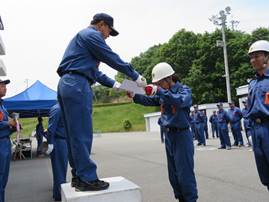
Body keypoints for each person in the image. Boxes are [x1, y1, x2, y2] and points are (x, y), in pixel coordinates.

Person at [57, 13, 147, 191]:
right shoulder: (92, 35)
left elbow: (97, 74)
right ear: (101, 25)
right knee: (82, 133)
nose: (107, 36)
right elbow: (110, 57)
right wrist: (135, 75)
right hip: (77, 85)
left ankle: (79, 176)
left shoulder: (82, 42)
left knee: (74, 134)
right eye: (108, 31)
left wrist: (121, 86)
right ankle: (88, 178)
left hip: (69, 83)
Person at [129, 62, 198, 202]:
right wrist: (134, 95)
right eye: (157, 84)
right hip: (169, 136)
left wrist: (159, 91)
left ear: (169, 78)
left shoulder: (184, 90)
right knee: (173, 175)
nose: (158, 86)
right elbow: (148, 100)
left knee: (185, 175)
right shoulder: (163, 93)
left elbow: (180, 101)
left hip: (181, 136)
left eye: (160, 83)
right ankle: (181, 199)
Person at [247, 40, 269, 190]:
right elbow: (249, 108)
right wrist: (250, 131)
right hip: (256, 130)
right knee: (265, 175)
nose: (253, 60)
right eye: (251, 57)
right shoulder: (252, 83)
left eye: (257, 56)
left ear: (267, 57)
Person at [0, 79, 17, 202]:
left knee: (3, 179)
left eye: (5, 86)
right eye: (2, 86)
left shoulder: (2, 106)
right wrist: (8, 123)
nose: (5, 88)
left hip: (5, 141)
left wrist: (14, 127)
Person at [46, 103, 68, 201]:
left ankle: (58, 193)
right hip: (59, 142)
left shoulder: (63, 107)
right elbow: (51, 128)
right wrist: (50, 143)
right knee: (59, 170)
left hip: (64, 141)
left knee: (61, 170)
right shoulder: (57, 109)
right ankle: (59, 196)